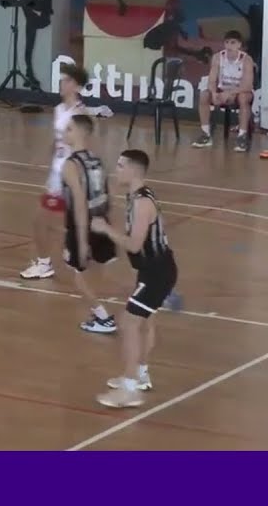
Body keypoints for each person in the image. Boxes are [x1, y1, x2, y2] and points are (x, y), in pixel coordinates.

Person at [91, 149, 179, 408]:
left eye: (120, 165)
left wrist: (106, 229)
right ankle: (138, 374)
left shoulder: (141, 202)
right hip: (153, 270)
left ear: (134, 170)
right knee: (145, 321)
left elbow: (133, 244)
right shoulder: (137, 195)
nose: (116, 170)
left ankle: (130, 390)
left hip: (157, 273)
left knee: (128, 323)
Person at [20, 64, 88, 281]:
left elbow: (84, 147)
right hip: (56, 173)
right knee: (61, 220)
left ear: (76, 86)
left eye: (67, 81)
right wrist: (44, 157)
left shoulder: (79, 114)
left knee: (41, 221)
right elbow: (57, 140)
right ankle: (75, 251)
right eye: (62, 80)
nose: (62, 84)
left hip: (67, 175)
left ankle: (44, 264)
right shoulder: (59, 109)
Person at [60, 114, 117, 334]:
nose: (65, 133)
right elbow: (108, 193)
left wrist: (82, 240)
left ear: (81, 133)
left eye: (69, 129)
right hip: (102, 220)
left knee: (78, 276)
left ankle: (103, 318)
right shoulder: (97, 159)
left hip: (81, 224)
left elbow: (80, 203)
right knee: (101, 269)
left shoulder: (70, 165)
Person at [193, 30, 256, 152]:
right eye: (227, 42)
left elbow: (248, 85)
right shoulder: (217, 57)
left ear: (239, 45)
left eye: (233, 43)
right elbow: (211, 80)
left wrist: (231, 93)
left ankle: (242, 137)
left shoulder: (246, 59)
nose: (229, 46)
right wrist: (214, 93)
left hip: (240, 91)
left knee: (243, 98)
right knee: (204, 95)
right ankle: (206, 134)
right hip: (222, 90)